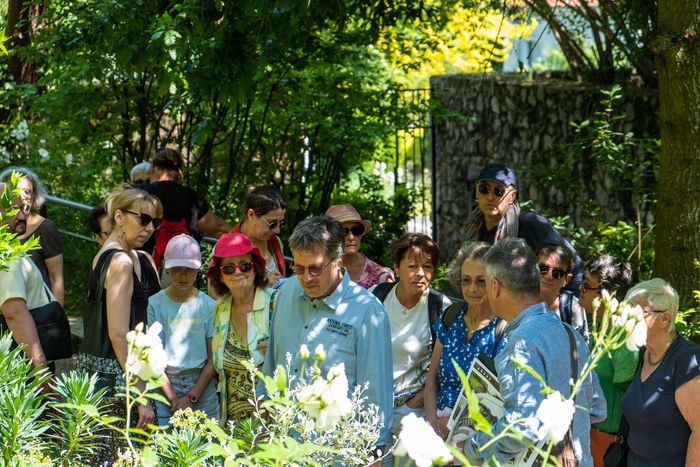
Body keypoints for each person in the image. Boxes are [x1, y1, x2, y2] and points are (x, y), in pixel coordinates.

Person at [464, 237, 606, 466]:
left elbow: (524, 426)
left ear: (495, 287)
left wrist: (472, 447)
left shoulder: (521, 344)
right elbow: (598, 408)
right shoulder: (571, 334)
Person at [260, 215, 393, 454]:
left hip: (336, 450)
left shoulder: (367, 311)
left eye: (315, 269)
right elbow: (272, 364)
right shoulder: (284, 293)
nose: (306, 278)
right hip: (282, 445)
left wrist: (373, 450)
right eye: (299, 268)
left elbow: (375, 391)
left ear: (337, 261)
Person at [76, 188, 162, 462]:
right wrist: (140, 394)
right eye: (144, 219)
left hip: (103, 375)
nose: (150, 228)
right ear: (119, 216)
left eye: (155, 222)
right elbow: (117, 334)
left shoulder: (112, 255)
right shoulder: (121, 261)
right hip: (119, 383)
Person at [368, 232, 450, 464]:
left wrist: (421, 398)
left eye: (427, 266)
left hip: (414, 414)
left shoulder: (441, 307)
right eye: (412, 266)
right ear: (396, 267)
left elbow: (450, 363)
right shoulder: (376, 297)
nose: (421, 274)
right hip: (374, 409)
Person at [424, 241, 506, 439]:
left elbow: (498, 400)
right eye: (466, 280)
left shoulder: (503, 329)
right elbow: (431, 380)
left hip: (478, 437)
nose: (472, 288)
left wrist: (453, 428)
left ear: (495, 282)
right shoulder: (450, 316)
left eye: (481, 281)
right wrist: (433, 425)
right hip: (438, 430)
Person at [464, 163, 583, 296]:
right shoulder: (475, 229)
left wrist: (563, 303)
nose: (490, 197)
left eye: (499, 191)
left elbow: (574, 263)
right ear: (476, 192)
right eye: (484, 189)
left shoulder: (529, 223)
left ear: (512, 196)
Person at [620, 278, 700, 466]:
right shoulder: (641, 352)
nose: (627, 318)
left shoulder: (686, 360)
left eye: (637, 313)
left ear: (665, 318)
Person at [147, 235, 218, 426]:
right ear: (167, 268)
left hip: (202, 385)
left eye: (189, 270)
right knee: (164, 445)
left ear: (198, 269)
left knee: (206, 445)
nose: (183, 275)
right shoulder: (154, 304)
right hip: (165, 384)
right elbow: (152, 358)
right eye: (177, 269)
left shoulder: (209, 306)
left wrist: (191, 396)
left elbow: (213, 359)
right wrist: (173, 399)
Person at [207, 232, 273, 427]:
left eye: (245, 265)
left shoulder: (275, 303)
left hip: (271, 420)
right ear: (220, 275)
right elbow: (221, 374)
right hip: (232, 424)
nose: (237, 272)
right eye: (228, 268)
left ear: (255, 268)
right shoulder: (220, 308)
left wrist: (278, 350)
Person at [577, 255, 635, 467]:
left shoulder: (623, 336)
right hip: (590, 435)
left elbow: (631, 392)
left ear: (606, 294)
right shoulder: (600, 327)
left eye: (586, 285)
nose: (580, 289)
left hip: (609, 442)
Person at [0, 181, 54, 389]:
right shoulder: (7, 257)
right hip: (21, 368)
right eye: (13, 210)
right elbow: (15, 312)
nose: (22, 216)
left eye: (23, 208)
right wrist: (40, 370)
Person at [140, 148, 230, 267]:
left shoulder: (140, 193)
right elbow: (218, 227)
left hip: (141, 266)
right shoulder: (191, 197)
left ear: (152, 169)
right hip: (180, 270)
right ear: (180, 172)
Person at [0, 167, 64, 305]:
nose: (22, 196)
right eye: (16, 190)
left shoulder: (46, 228)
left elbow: (56, 278)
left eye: (27, 191)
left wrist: (57, 317)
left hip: (39, 310)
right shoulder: (3, 227)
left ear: (34, 196)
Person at [86, 198, 160, 296]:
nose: (117, 231)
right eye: (110, 232)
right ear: (99, 238)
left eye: (155, 222)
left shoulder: (146, 258)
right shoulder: (115, 263)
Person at [230, 185, 287, 288]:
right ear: (251, 215)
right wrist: (263, 286)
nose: (277, 230)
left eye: (280, 223)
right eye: (272, 223)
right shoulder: (226, 248)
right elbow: (217, 300)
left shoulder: (275, 243)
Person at [325, 204, 394, 289]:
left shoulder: (381, 277)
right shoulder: (316, 271)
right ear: (328, 237)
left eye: (356, 230)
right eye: (342, 232)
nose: (351, 237)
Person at [536, 243, 588, 339]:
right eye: (543, 269)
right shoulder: (518, 297)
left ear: (566, 280)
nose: (548, 277)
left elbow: (581, 346)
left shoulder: (573, 307)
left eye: (557, 273)